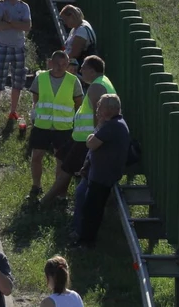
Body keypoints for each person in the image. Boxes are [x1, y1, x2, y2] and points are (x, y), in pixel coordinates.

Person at [41, 55, 116, 206]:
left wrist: (96, 137)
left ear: (93, 71)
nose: (81, 70)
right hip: (80, 137)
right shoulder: (102, 82)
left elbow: (99, 114)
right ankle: (60, 197)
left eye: (84, 68)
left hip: (86, 139)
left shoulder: (96, 87)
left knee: (66, 172)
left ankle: (44, 202)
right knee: (62, 158)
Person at [74, 93, 130, 247]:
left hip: (102, 176)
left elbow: (91, 144)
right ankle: (83, 237)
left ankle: (86, 242)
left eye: (100, 107)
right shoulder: (114, 124)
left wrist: (97, 129)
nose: (97, 110)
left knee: (92, 210)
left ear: (110, 110)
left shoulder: (112, 126)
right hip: (99, 174)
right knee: (89, 206)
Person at [27, 50, 84, 200]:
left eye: (64, 64)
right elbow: (36, 98)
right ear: (51, 63)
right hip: (42, 125)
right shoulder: (41, 78)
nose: (61, 67)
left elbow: (78, 102)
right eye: (58, 64)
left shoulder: (73, 81)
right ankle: (36, 186)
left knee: (61, 161)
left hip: (63, 128)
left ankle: (60, 192)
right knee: (36, 156)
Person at [0, 0, 31, 127]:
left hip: (18, 47)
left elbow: (27, 26)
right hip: (2, 46)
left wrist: (10, 22)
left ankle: (13, 111)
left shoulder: (24, 7)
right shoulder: (0, 5)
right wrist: (14, 24)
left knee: (17, 80)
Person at [60, 5, 96, 74]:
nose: (65, 23)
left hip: (77, 67)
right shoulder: (75, 29)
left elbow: (75, 53)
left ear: (71, 16)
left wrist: (61, 63)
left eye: (65, 20)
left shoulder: (81, 30)